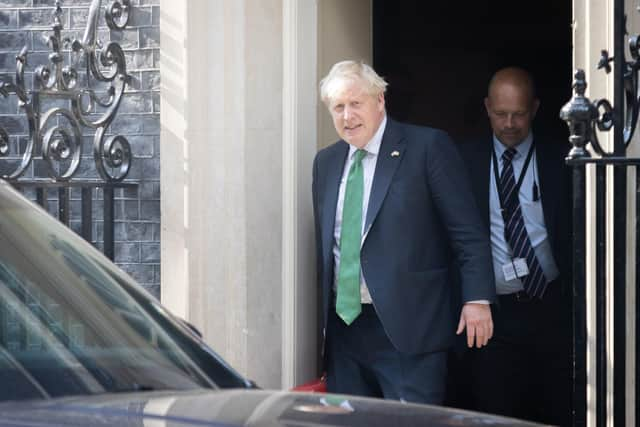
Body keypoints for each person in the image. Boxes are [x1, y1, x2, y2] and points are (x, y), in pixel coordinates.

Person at [312, 60, 495, 405]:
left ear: (379, 100)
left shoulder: (427, 147)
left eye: (356, 103)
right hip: (344, 332)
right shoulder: (326, 162)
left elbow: (466, 231)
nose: (347, 116)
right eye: (338, 107)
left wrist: (476, 299)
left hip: (410, 330)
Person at [459, 67, 572, 425]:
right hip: (493, 315)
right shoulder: (464, 161)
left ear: (535, 109)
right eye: (500, 113)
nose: (509, 123)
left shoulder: (564, 159)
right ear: (487, 108)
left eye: (519, 113)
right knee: (495, 413)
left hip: (554, 306)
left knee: (558, 407)